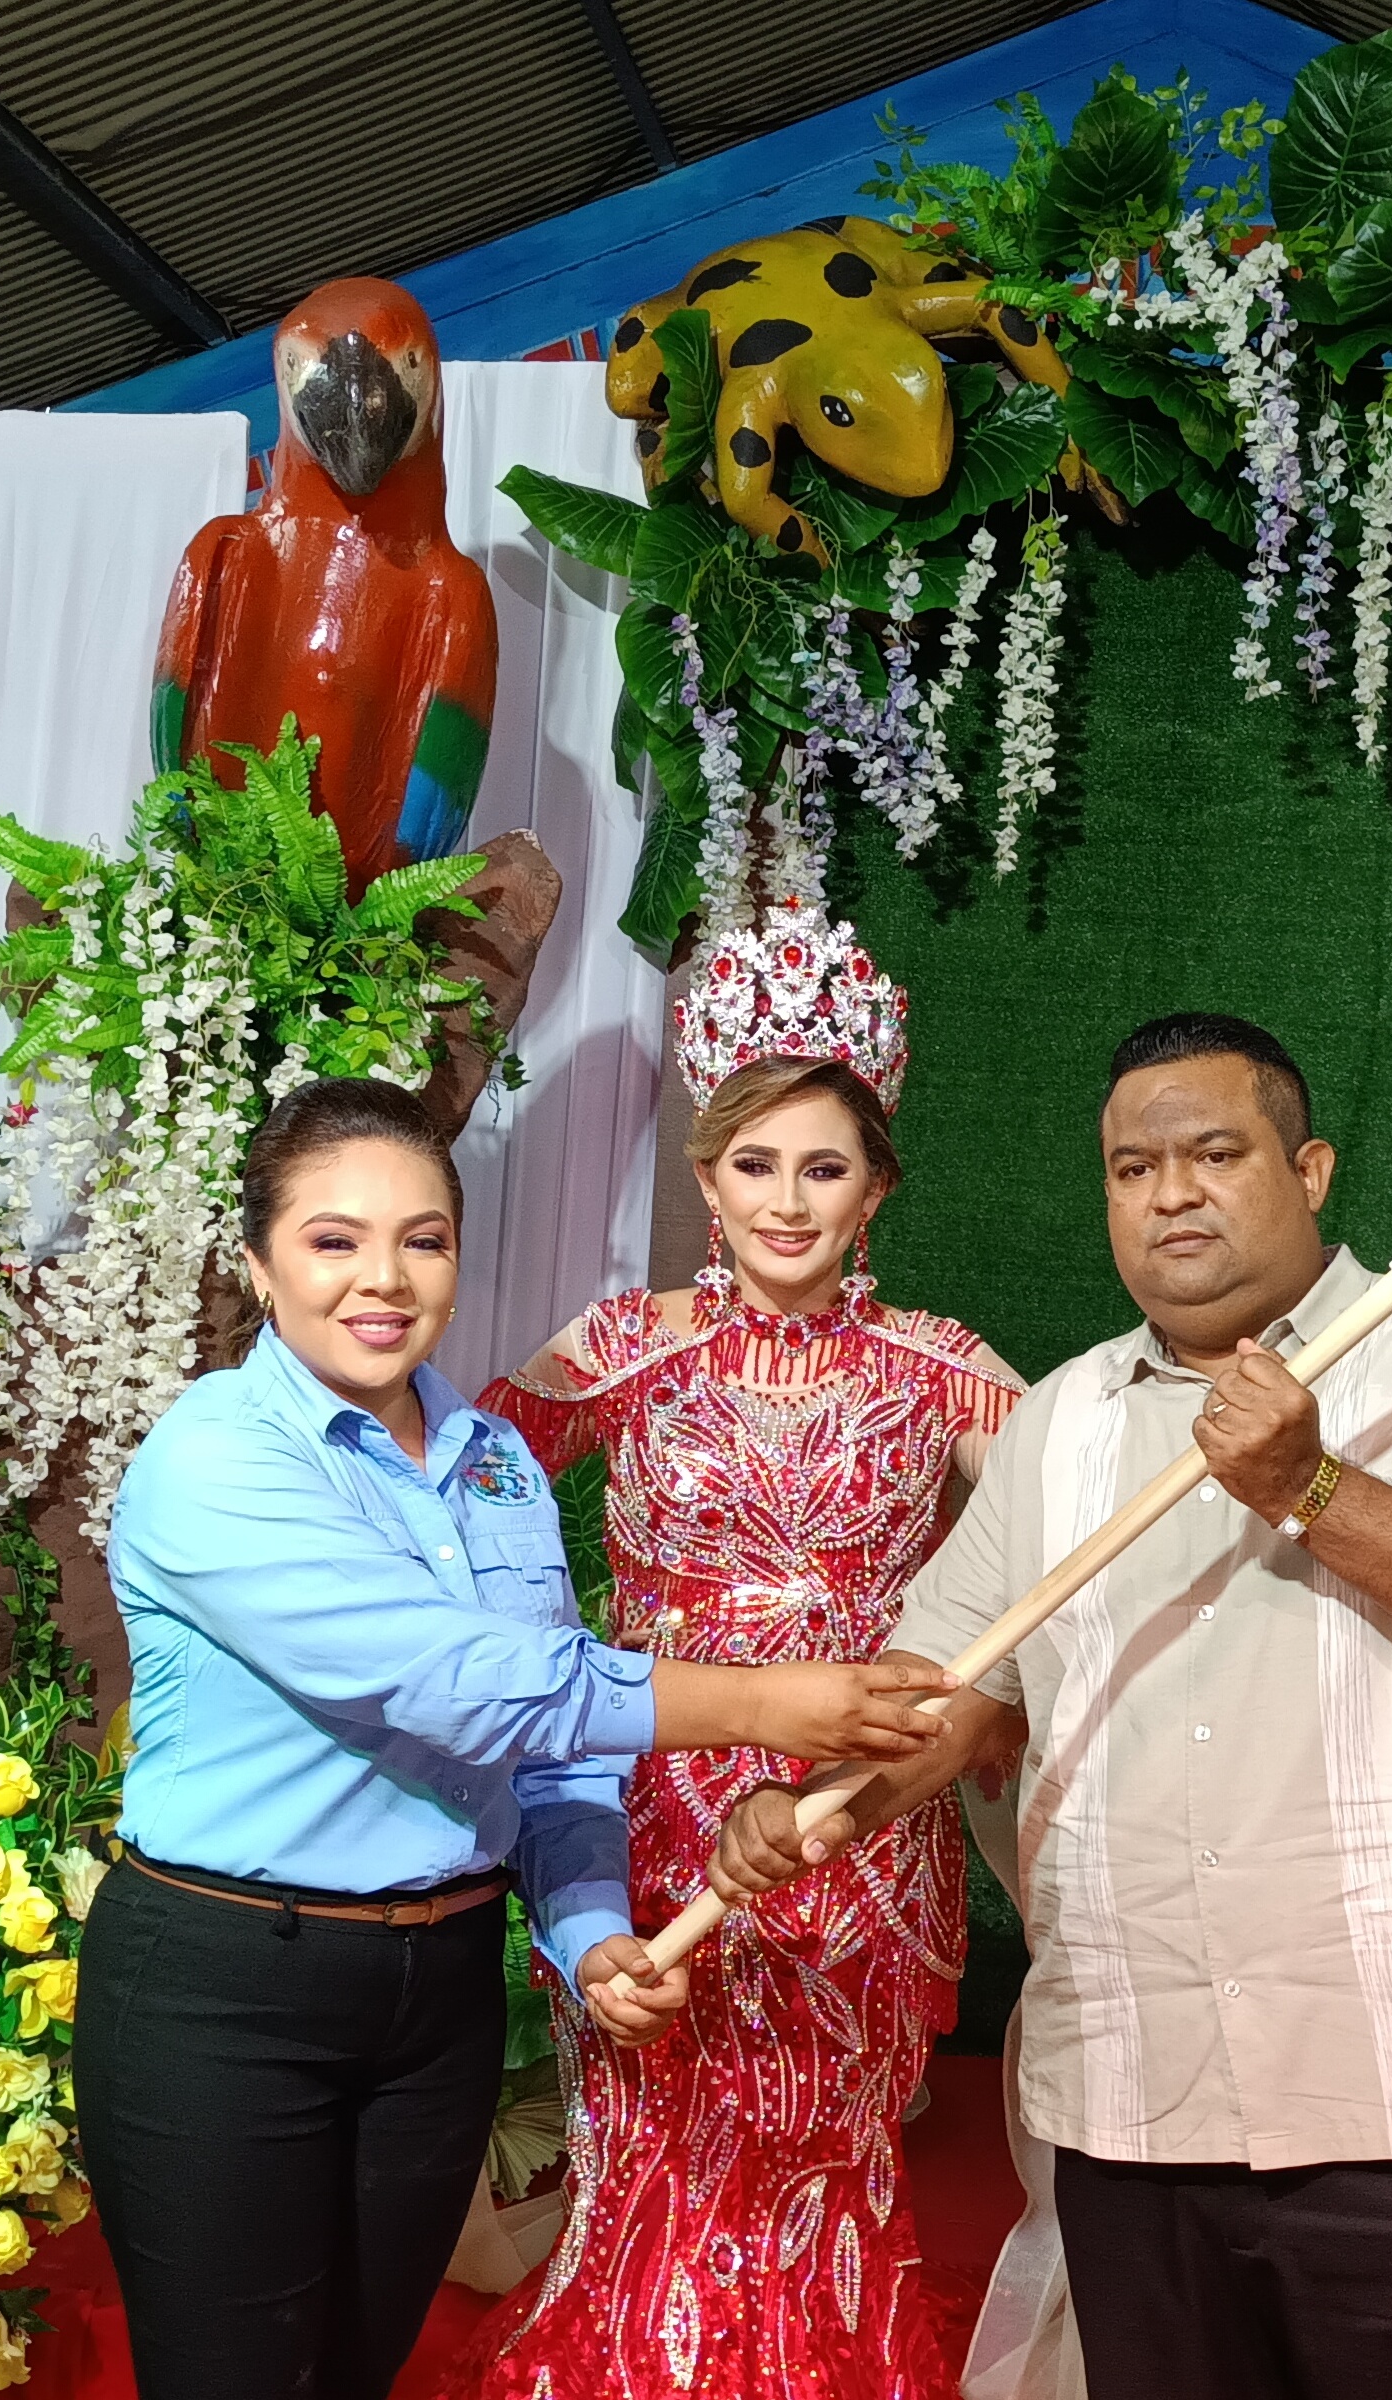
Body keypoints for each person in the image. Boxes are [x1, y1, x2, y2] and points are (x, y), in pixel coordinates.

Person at [713, 1012, 1392, 2400]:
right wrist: (813, 1801)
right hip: (1139, 2094)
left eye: (1216, 1154)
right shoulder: (1058, 1419)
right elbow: (942, 1691)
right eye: (1134, 1169)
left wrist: (1310, 1489)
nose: (1171, 1194)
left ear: (1310, 1170)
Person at [78, 1075, 951, 2400]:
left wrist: (591, 1934)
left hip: (439, 1994)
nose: (383, 1279)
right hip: (231, 1986)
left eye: (422, 1240)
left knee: (358, 2370)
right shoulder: (215, 1456)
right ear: (258, 1264)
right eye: (333, 1239)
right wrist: (767, 1702)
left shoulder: (491, 1460)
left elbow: (556, 1761)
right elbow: (467, 1684)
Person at [446, 900, 1023, 2400]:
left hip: (855, 1820)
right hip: (657, 1811)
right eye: (755, 1163)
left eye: (823, 1167)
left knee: (826, 2163)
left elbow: (1078, 1517)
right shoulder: (620, 1347)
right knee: (661, 2154)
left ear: (874, 1187)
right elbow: (457, 1494)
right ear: (706, 1175)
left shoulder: (945, 1370)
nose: (787, 1201)